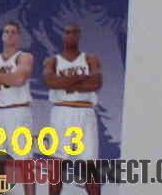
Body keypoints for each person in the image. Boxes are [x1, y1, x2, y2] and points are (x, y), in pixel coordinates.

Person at [44, 23, 102, 195]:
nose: (71, 35)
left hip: (85, 112)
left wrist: (66, 84)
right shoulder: (52, 61)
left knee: (90, 166)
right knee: (57, 165)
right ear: (63, 35)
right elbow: (51, 82)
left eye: (75, 32)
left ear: (79, 35)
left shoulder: (90, 59)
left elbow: (96, 83)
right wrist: (80, 77)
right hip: (62, 112)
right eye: (67, 32)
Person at [0, 21, 35, 195]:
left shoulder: (24, 57)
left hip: (17, 112)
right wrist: (6, 77)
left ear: (19, 37)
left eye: (13, 32)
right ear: (2, 36)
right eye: (6, 32)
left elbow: (19, 79)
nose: (9, 35)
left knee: (24, 161)